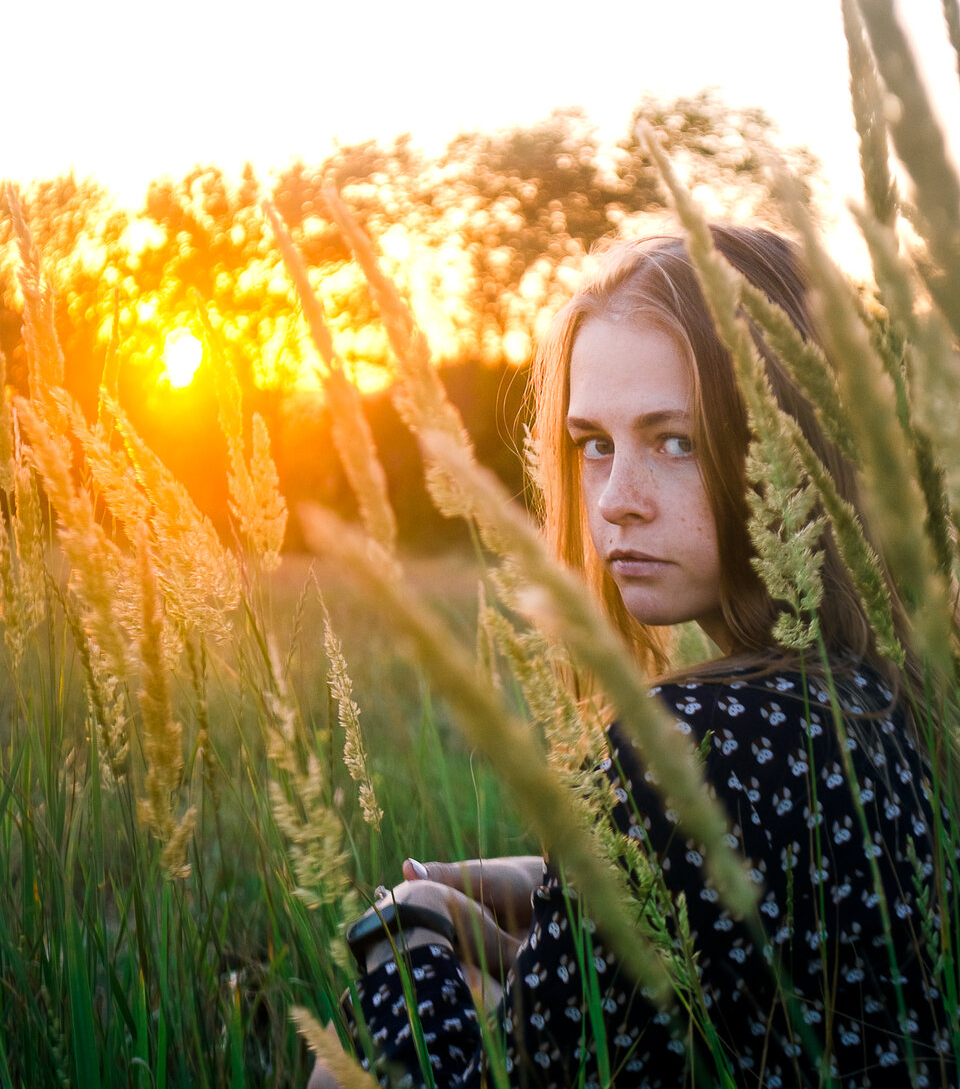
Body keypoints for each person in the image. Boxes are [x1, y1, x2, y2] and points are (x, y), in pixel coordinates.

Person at [313, 227, 957, 1088]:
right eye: (595, 444)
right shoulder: (898, 692)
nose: (617, 502)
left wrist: (405, 933)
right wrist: (557, 880)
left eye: (676, 441)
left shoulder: (689, 742)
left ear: (794, 446)